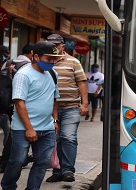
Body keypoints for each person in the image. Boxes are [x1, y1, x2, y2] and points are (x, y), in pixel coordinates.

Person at [1, 41, 62, 190]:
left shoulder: (53, 74)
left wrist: (55, 120)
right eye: (49, 59)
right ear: (36, 56)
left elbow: (54, 99)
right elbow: (19, 103)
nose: (52, 62)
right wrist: (29, 128)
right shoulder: (23, 74)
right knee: (18, 161)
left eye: (55, 59)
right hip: (23, 128)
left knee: (42, 162)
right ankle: (8, 186)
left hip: (47, 127)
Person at [45, 34, 89, 183]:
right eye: (51, 44)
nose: (54, 47)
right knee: (54, 140)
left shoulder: (73, 62)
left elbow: (82, 83)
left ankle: (68, 170)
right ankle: (57, 171)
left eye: (56, 44)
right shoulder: (45, 62)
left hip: (70, 108)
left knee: (68, 137)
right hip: (50, 110)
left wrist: (84, 104)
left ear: (63, 46)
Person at [0, 43, 35, 173]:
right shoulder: (28, 66)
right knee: (18, 133)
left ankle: (9, 161)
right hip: (21, 103)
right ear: (32, 52)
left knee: (15, 132)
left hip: (7, 102)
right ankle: (7, 162)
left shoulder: (9, 62)